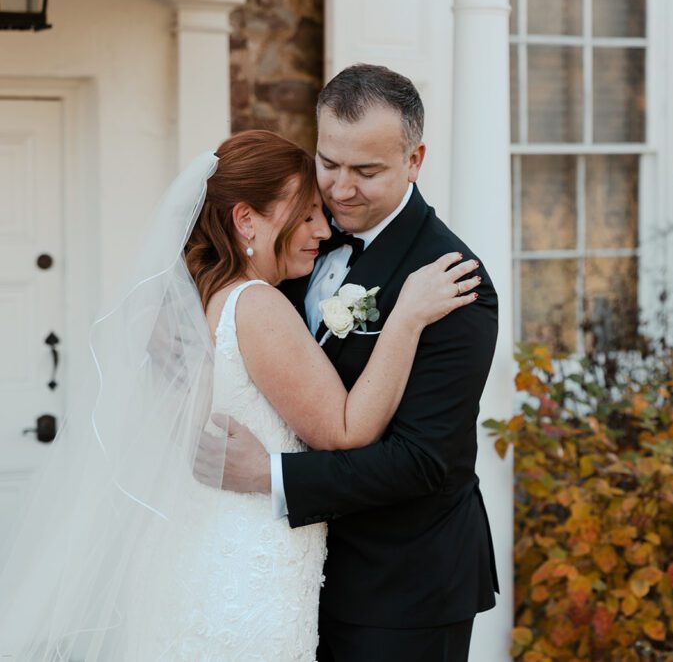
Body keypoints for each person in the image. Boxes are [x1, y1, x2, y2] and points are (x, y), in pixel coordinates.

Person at [0, 129, 480, 660]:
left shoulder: (200, 293)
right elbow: (345, 429)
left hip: (202, 553)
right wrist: (406, 317)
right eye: (304, 215)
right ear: (247, 220)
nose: (325, 227)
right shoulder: (257, 304)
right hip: (247, 564)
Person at [215, 64, 500, 661]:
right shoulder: (296, 244)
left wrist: (269, 476)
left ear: (415, 160)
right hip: (285, 580)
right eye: (329, 164)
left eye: (366, 171)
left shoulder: (453, 282)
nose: (340, 189)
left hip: (402, 592)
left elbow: (421, 462)